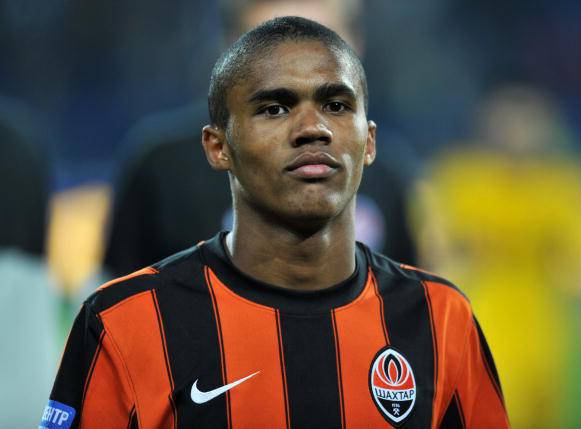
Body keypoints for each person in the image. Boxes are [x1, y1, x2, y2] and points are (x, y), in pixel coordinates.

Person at [43, 17, 509, 428]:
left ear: (369, 142)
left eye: (336, 105)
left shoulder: (442, 318)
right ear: (218, 147)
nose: (313, 128)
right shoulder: (124, 323)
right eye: (274, 108)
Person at [103, 0, 417, 278]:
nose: (299, 66)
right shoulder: (162, 169)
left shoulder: (386, 173)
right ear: (229, 53)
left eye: (321, 42)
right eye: (271, 47)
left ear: (356, 46)